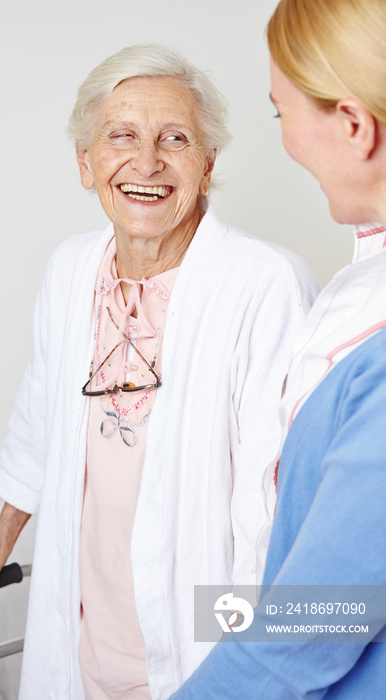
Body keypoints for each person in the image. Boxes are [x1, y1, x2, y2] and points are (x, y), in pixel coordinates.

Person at [0, 44, 318, 699]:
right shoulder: (70, 270)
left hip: (201, 653)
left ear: (209, 162)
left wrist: (253, 665)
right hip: (81, 643)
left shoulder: (265, 284)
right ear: (86, 162)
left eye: (175, 139)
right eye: (121, 136)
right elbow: (38, 420)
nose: (147, 162)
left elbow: (276, 502)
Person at [169, 1, 386, 698]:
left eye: (280, 112)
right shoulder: (356, 291)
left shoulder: (278, 286)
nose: (284, 139)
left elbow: (319, 623)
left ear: (353, 125)